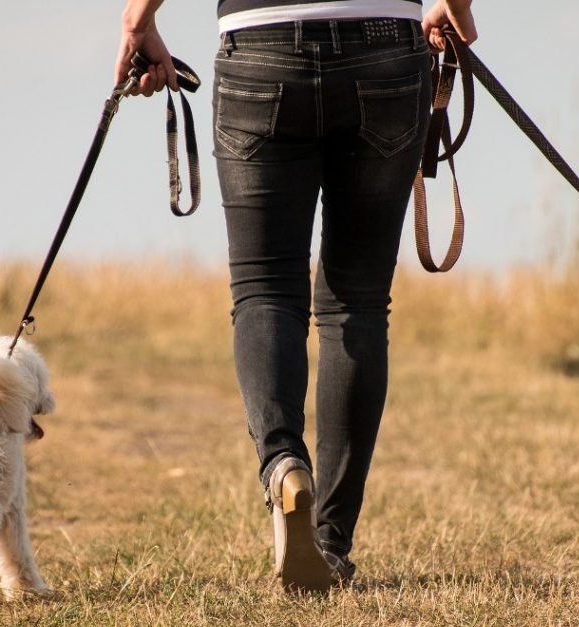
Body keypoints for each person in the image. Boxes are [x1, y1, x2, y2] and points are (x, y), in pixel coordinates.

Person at [114, 0, 478, 592]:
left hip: (259, 43)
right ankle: (330, 542)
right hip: (386, 43)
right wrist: (457, 12)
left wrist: (138, 19)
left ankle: (283, 463)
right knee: (357, 303)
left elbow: (141, 17)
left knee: (265, 288)